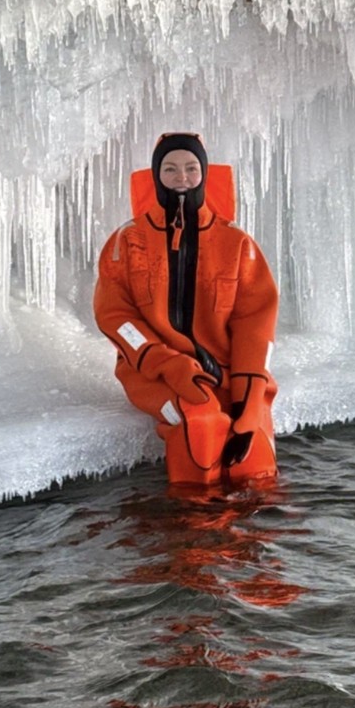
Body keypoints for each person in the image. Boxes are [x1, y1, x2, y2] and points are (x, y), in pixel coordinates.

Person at [94, 133, 279, 487]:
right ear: (155, 175)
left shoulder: (238, 243)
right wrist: (167, 363)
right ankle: (195, 528)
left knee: (254, 453)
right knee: (199, 419)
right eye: (171, 169)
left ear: (205, 173)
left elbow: (255, 325)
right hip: (152, 373)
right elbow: (116, 317)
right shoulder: (127, 241)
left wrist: (248, 397)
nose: (182, 178)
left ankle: (251, 533)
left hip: (227, 370)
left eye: (191, 169)